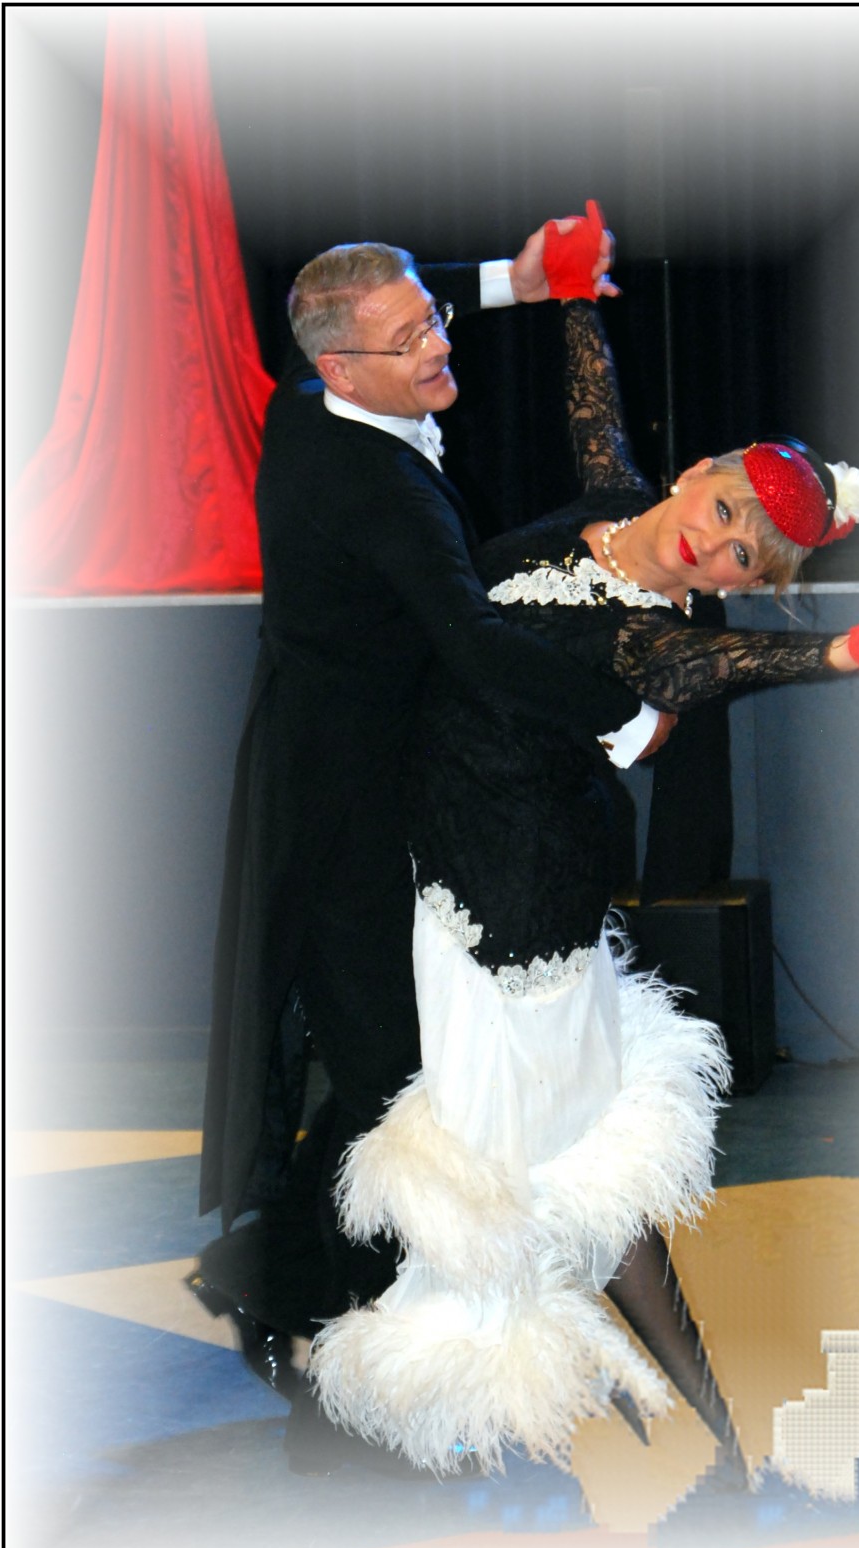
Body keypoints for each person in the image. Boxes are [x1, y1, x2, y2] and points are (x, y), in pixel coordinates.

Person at [308, 213, 859, 1479]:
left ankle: (585, 1415)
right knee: (533, 1155)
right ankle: (693, 1420)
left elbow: (735, 664)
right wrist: (572, 295)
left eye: (741, 554)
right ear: (696, 472)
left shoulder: (661, 639)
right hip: (450, 865)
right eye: (720, 506)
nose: (709, 542)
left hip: (512, 907)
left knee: (525, 1157)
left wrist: (848, 652)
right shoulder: (619, 499)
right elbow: (594, 403)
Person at [189, 214, 670, 1414]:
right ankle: (316, 1312)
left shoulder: (308, 394)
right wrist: (624, 718)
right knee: (389, 1079)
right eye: (409, 342)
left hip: (371, 777)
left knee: (402, 1074)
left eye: (434, 322)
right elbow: (475, 640)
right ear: (344, 369)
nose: (439, 346)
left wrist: (518, 279)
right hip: (343, 820)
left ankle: (321, 1285)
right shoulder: (376, 490)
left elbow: (369, 296)